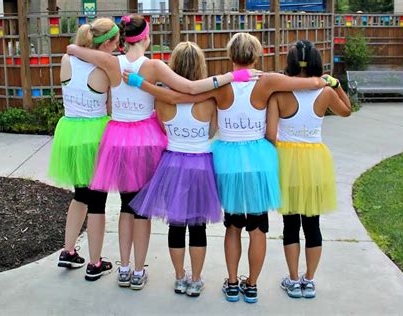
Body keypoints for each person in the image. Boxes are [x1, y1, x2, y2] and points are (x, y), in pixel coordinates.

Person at [125, 32, 329, 303]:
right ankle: (252, 285)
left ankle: (232, 283)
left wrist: (142, 84)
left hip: (227, 161)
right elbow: (299, 83)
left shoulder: (219, 86)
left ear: (230, 56)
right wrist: (323, 80)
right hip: (258, 160)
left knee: (232, 225)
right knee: (258, 226)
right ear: (256, 55)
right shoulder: (266, 81)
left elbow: (183, 95)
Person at [66, 15, 254, 290]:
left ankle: (125, 267)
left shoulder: (111, 62)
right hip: (143, 140)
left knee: (125, 207)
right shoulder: (153, 66)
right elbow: (188, 89)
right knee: (139, 208)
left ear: (123, 38)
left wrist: (72, 49)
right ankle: (139, 271)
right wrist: (232, 76)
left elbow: (77, 49)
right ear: (145, 38)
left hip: (116, 138)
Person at [129, 42, 221, 298]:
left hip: (171, 164)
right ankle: (196, 279)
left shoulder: (162, 98)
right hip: (201, 163)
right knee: (198, 226)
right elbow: (213, 131)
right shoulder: (210, 99)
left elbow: (160, 127)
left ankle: (180, 278)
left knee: (176, 225)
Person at [266, 40, 351, 299]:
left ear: (290, 63)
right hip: (315, 163)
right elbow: (347, 111)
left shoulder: (279, 94)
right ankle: (309, 280)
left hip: (287, 162)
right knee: (312, 224)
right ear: (315, 62)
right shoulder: (324, 92)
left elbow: (270, 135)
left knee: (290, 224)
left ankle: (293, 280)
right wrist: (335, 84)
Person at [48, 18, 119, 281]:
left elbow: (71, 50)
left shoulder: (67, 60)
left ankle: (68, 251)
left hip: (69, 131)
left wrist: (76, 48)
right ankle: (95, 262)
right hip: (96, 134)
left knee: (79, 195)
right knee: (98, 201)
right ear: (108, 43)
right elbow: (110, 108)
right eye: (115, 42)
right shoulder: (106, 68)